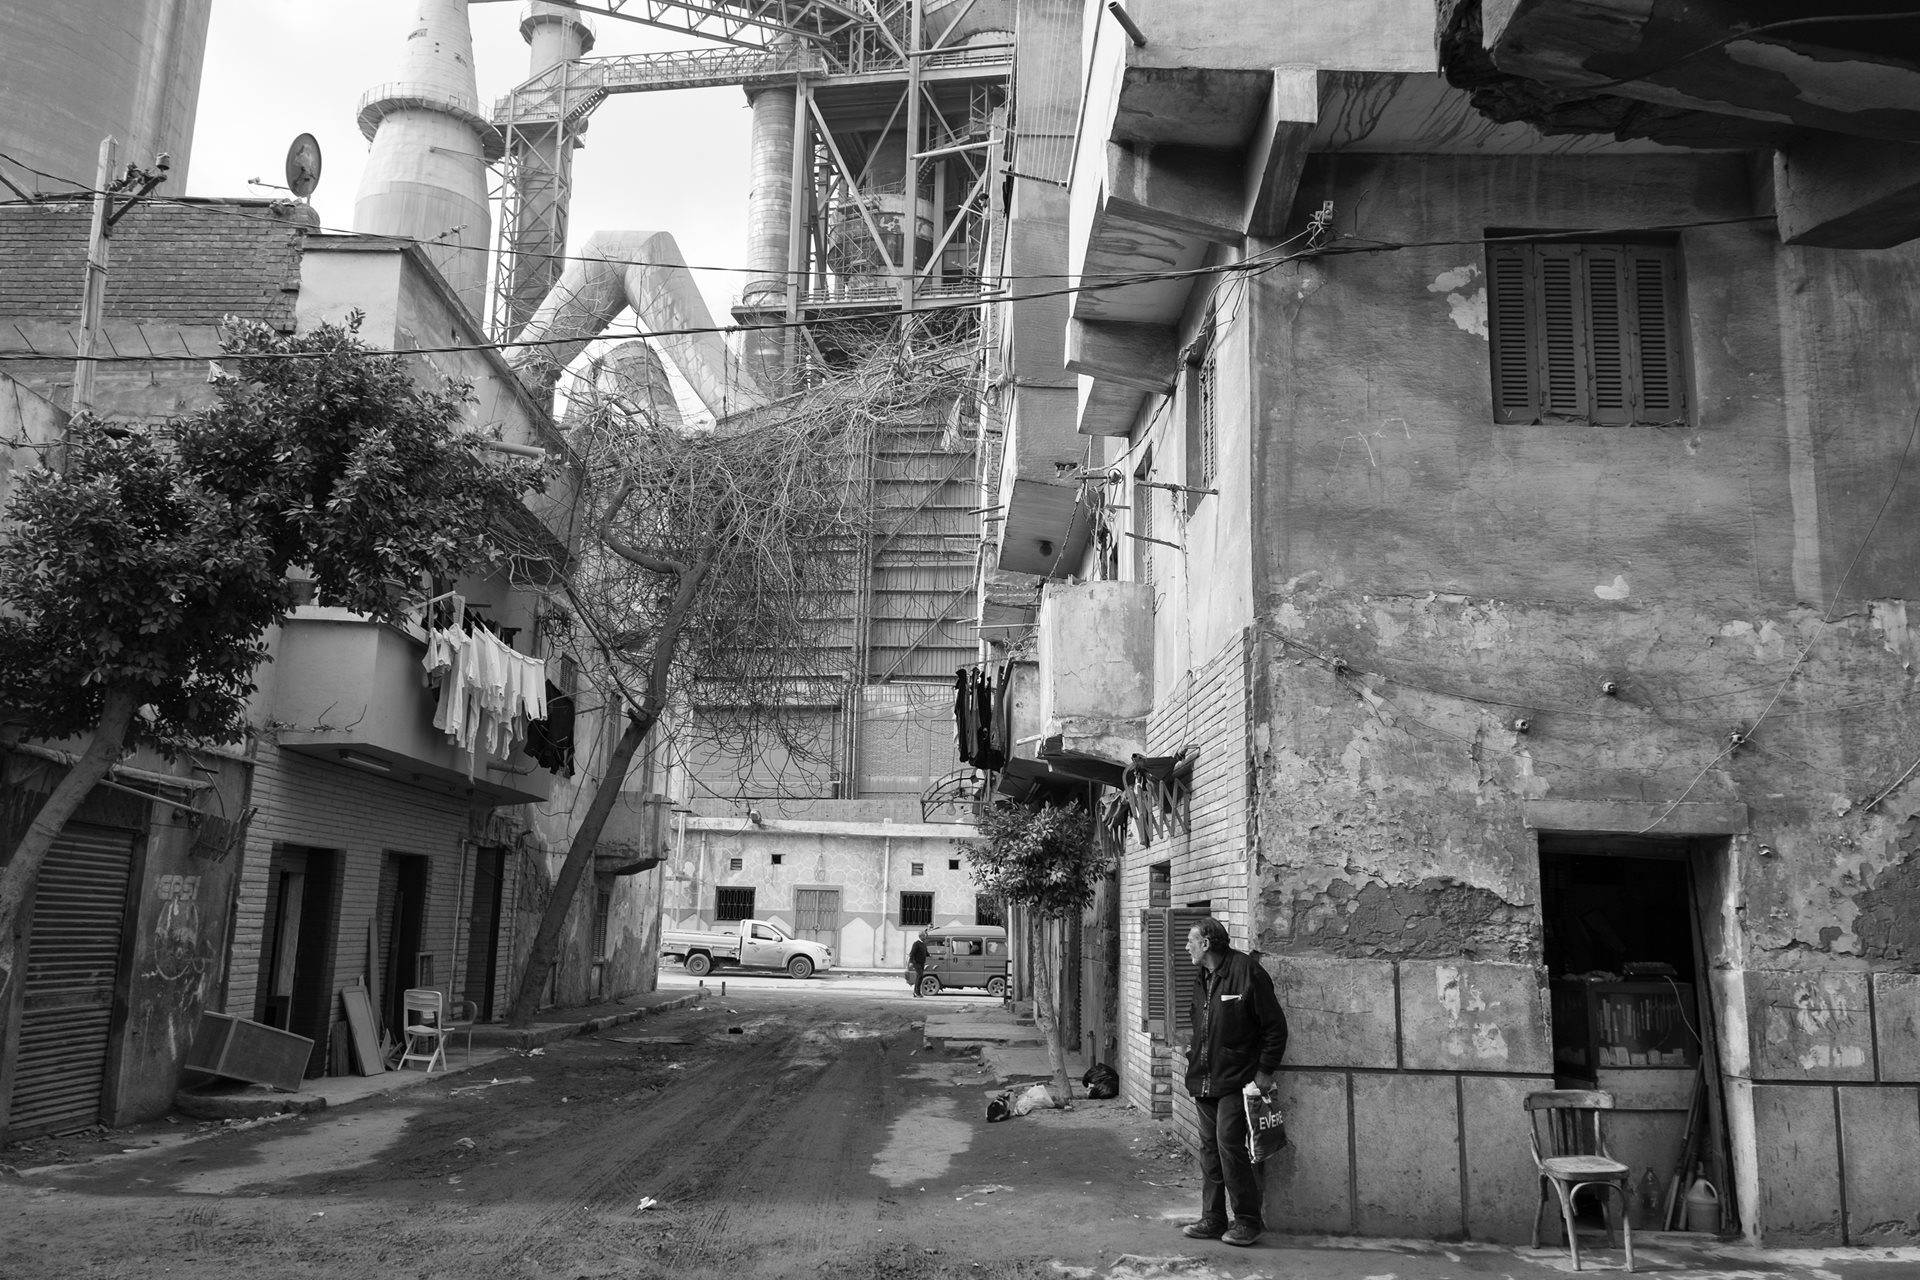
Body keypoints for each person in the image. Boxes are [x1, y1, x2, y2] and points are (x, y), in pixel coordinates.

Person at [1179, 916, 1288, 1248]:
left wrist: (1264, 1072)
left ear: (1207, 944)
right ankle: (1213, 1218)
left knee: (1229, 1146)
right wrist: (1192, 1050)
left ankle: (1247, 1221)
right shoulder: (1203, 976)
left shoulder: (1246, 971)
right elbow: (1198, 1018)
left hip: (1238, 1079)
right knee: (1209, 1149)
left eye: (1190, 942)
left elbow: (1274, 1027)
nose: (1186, 947)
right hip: (1203, 1079)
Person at [907, 932, 929, 997]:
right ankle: (917, 992)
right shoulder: (916, 944)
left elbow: (926, 952)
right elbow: (912, 953)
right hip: (917, 962)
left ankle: (915, 992)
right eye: (924, 936)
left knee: (919, 977)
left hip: (922, 963)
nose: (925, 937)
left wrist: (930, 955)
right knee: (920, 976)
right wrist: (912, 962)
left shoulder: (923, 944)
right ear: (921, 937)